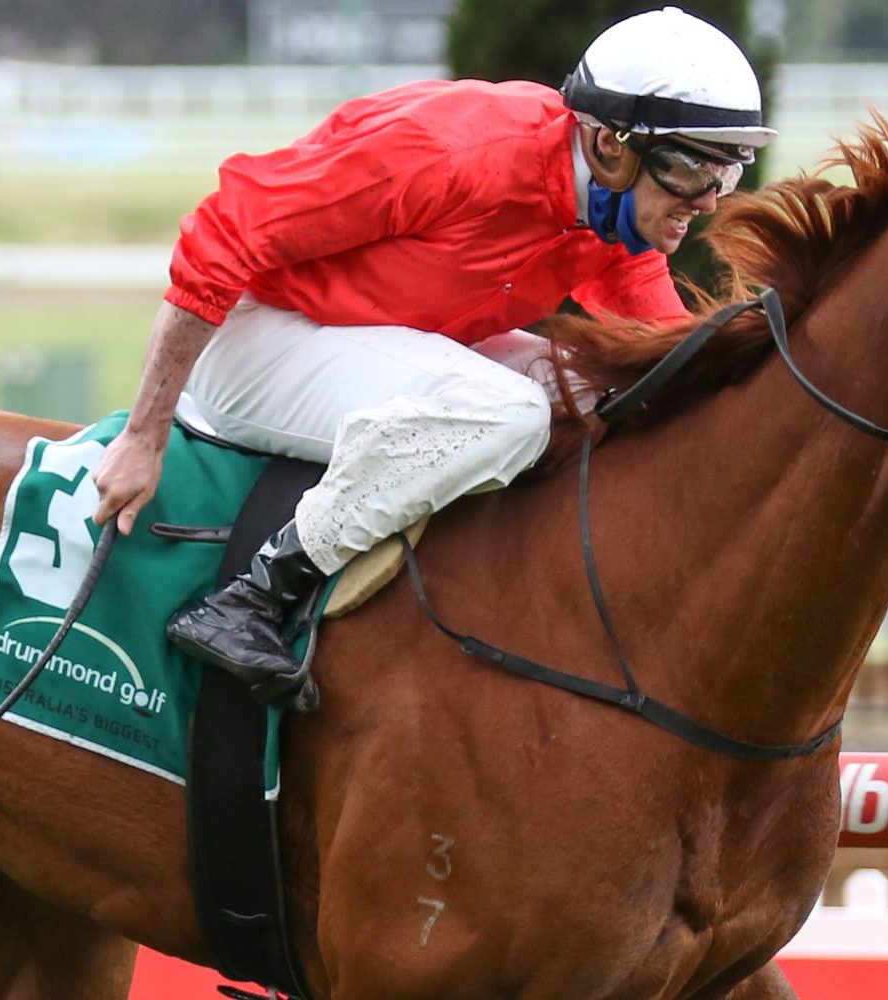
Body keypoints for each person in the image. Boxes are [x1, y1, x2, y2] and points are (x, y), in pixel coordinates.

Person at [90, 6, 776, 710]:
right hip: (261, 335)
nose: (706, 200)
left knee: (602, 391)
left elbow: (667, 355)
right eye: (690, 167)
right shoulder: (452, 150)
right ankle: (253, 598)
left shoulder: (610, 216)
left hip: (396, 337)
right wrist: (146, 435)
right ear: (609, 145)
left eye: (723, 173)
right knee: (508, 414)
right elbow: (222, 234)